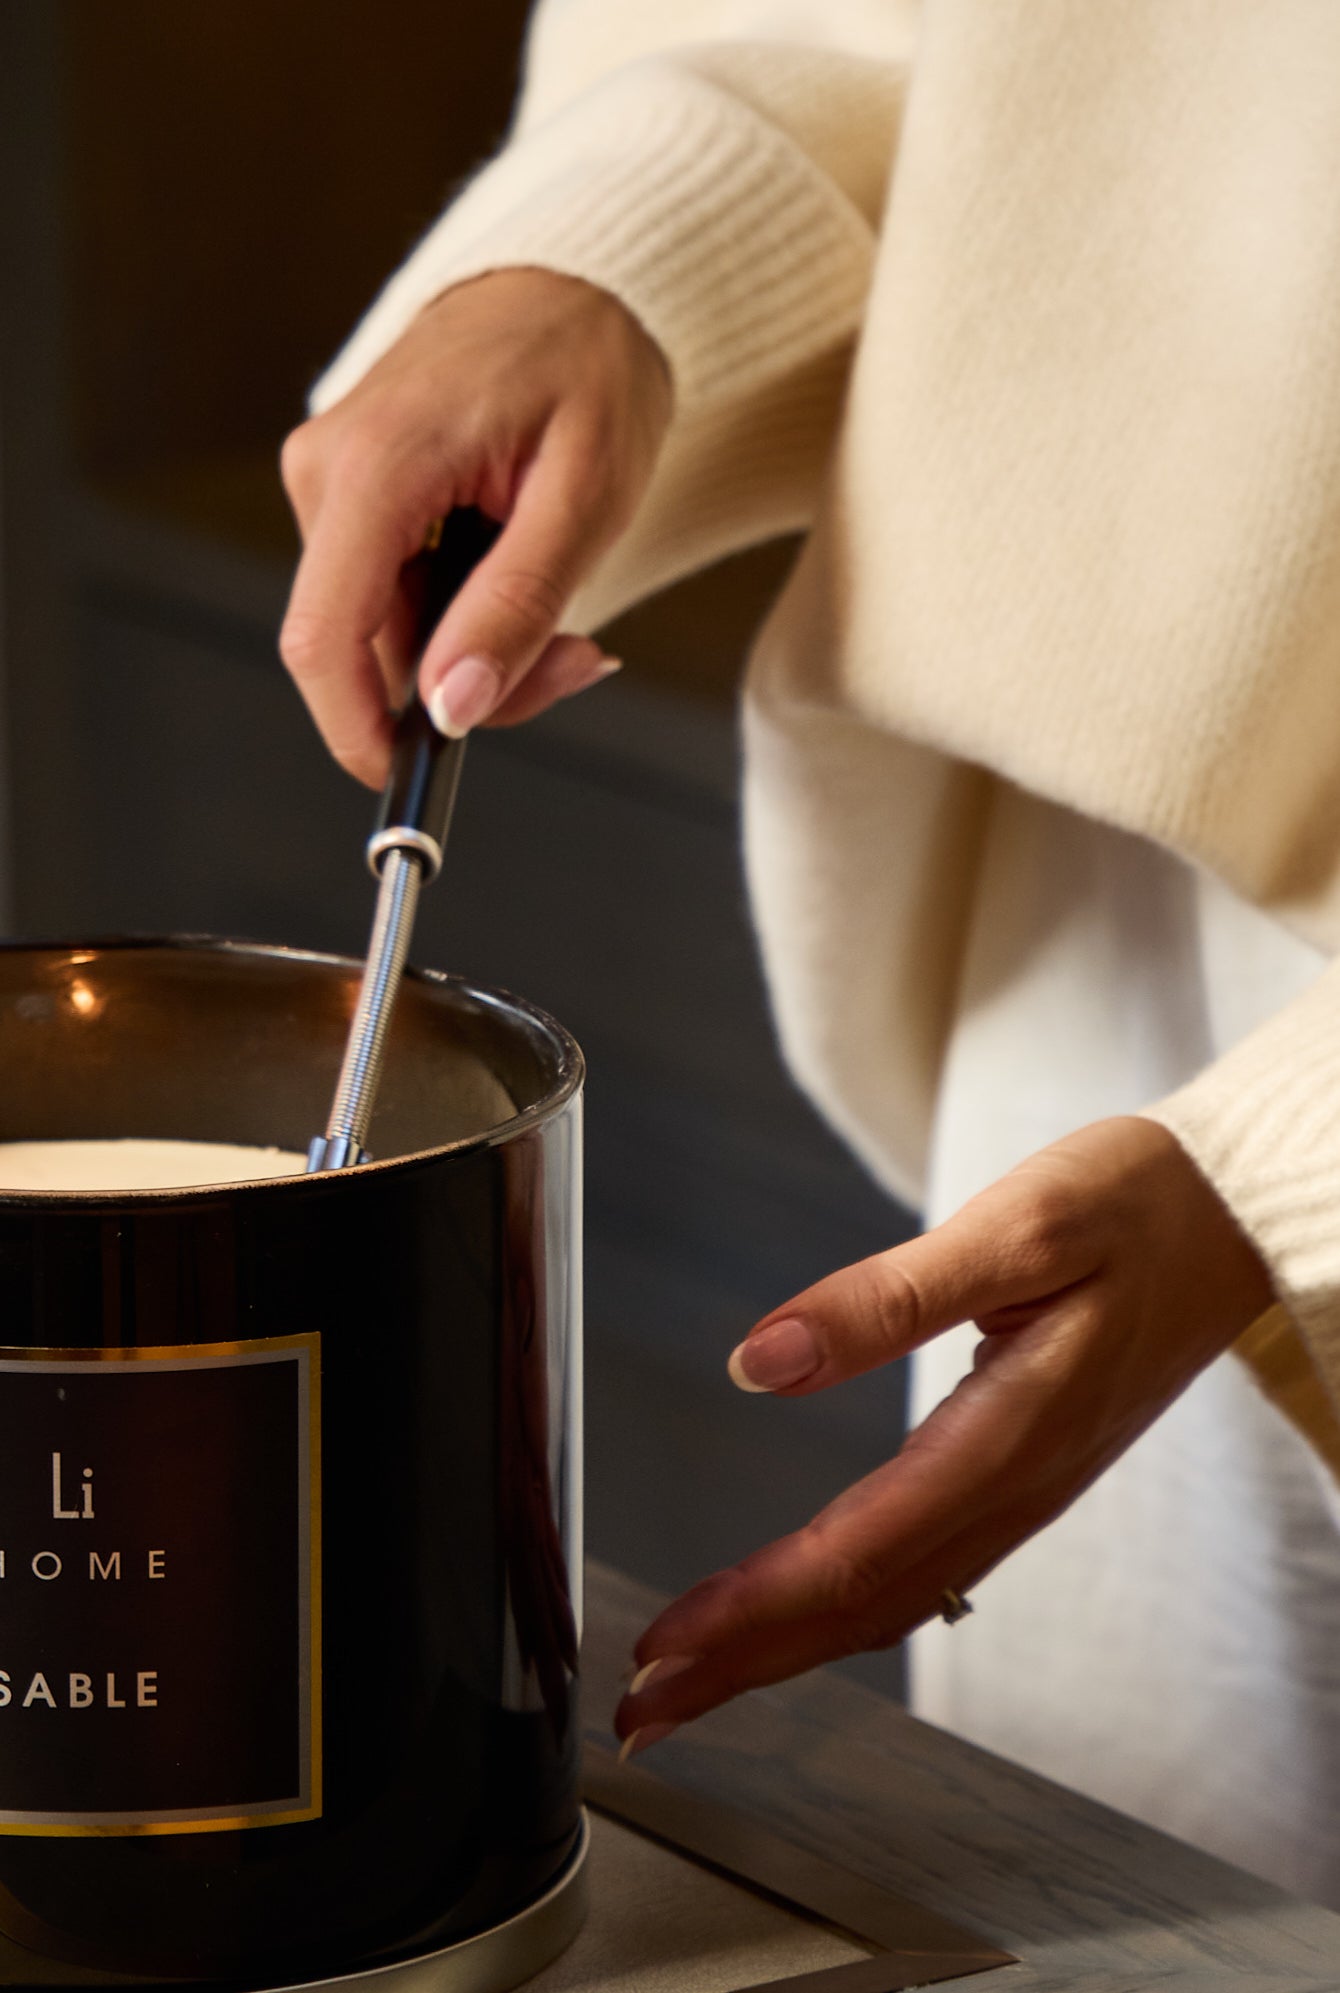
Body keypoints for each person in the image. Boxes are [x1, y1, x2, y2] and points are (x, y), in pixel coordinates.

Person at [279, 0, 1340, 1900]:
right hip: (1123, 886)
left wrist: (1285, 1175)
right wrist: (623, 259)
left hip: (1256, 1132)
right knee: (1114, 1907)